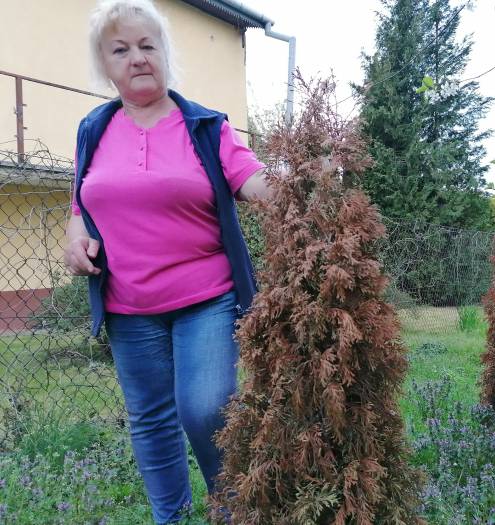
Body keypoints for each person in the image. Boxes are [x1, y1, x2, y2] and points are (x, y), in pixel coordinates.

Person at [63, 1, 271, 522]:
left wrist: (307, 178)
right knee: (151, 420)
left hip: (206, 300)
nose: (136, 57)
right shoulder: (93, 129)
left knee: (207, 410)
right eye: (121, 49)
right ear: (105, 64)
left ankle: (234, 512)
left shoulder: (204, 126)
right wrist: (74, 233)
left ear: (164, 55)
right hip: (128, 306)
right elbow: (81, 200)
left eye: (147, 45)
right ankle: (170, 517)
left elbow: (252, 178)